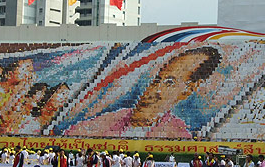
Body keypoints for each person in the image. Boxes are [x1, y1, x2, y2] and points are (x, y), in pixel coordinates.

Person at [65, 46, 222, 139]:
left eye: (169, 83)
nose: (154, 90)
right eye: (157, 80)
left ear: (187, 91)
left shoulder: (176, 133)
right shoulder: (116, 118)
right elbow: (71, 133)